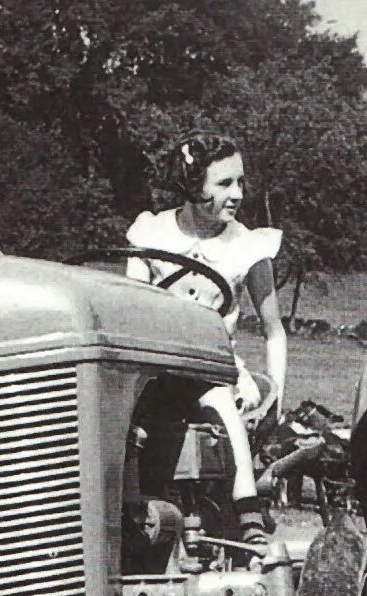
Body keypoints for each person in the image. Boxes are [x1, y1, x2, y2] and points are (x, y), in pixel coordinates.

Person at [126, 130, 287, 543]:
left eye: (240, 182)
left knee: (220, 407)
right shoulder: (151, 234)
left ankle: (247, 511)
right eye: (224, 183)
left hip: (212, 368)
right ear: (192, 184)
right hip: (154, 369)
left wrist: (276, 402)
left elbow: (274, 331)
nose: (237, 194)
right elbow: (128, 314)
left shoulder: (249, 247)